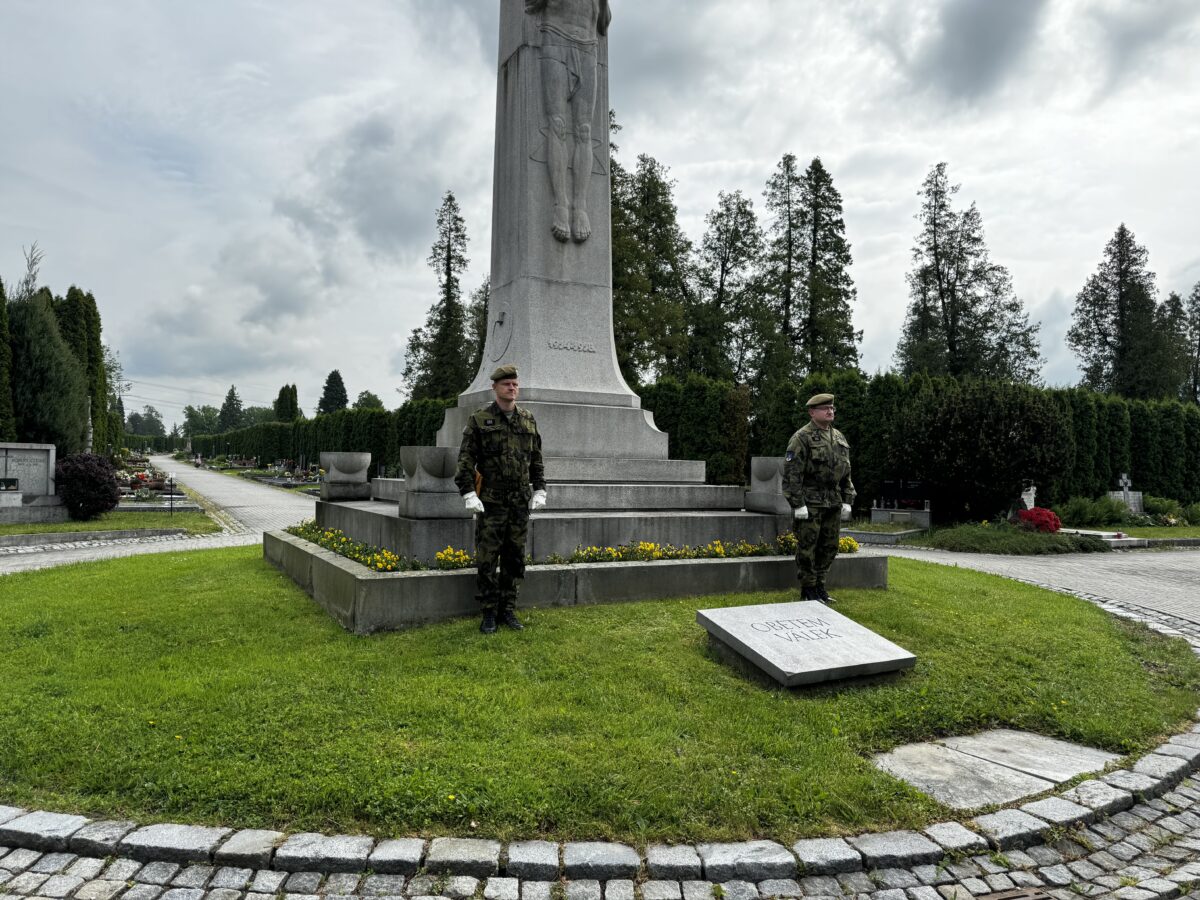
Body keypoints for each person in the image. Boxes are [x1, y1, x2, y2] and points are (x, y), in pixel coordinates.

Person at [455, 365, 548, 633]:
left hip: (519, 502)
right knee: (487, 558)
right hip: (491, 502)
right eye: (506, 384)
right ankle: (488, 612)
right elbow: (465, 460)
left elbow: (536, 459)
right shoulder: (480, 419)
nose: (512, 388)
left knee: (514, 557)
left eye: (515, 384)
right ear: (495, 387)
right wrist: (468, 492)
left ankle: (508, 609)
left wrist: (540, 488)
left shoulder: (528, 420)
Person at [525, 0, 612, 243]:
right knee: (557, 125)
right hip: (554, 35)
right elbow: (530, 5)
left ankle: (580, 207)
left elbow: (603, 24)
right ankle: (560, 205)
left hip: (587, 44)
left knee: (584, 131)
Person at [782, 393, 855, 604]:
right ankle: (808, 589)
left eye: (832, 408)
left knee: (829, 546)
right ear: (812, 412)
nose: (830, 411)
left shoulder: (839, 437)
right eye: (825, 408)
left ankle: (820, 585)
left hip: (833, 501)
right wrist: (797, 504)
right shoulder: (801, 438)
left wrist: (847, 499)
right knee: (808, 547)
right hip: (811, 502)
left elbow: (846, 471)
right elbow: (792, 475)